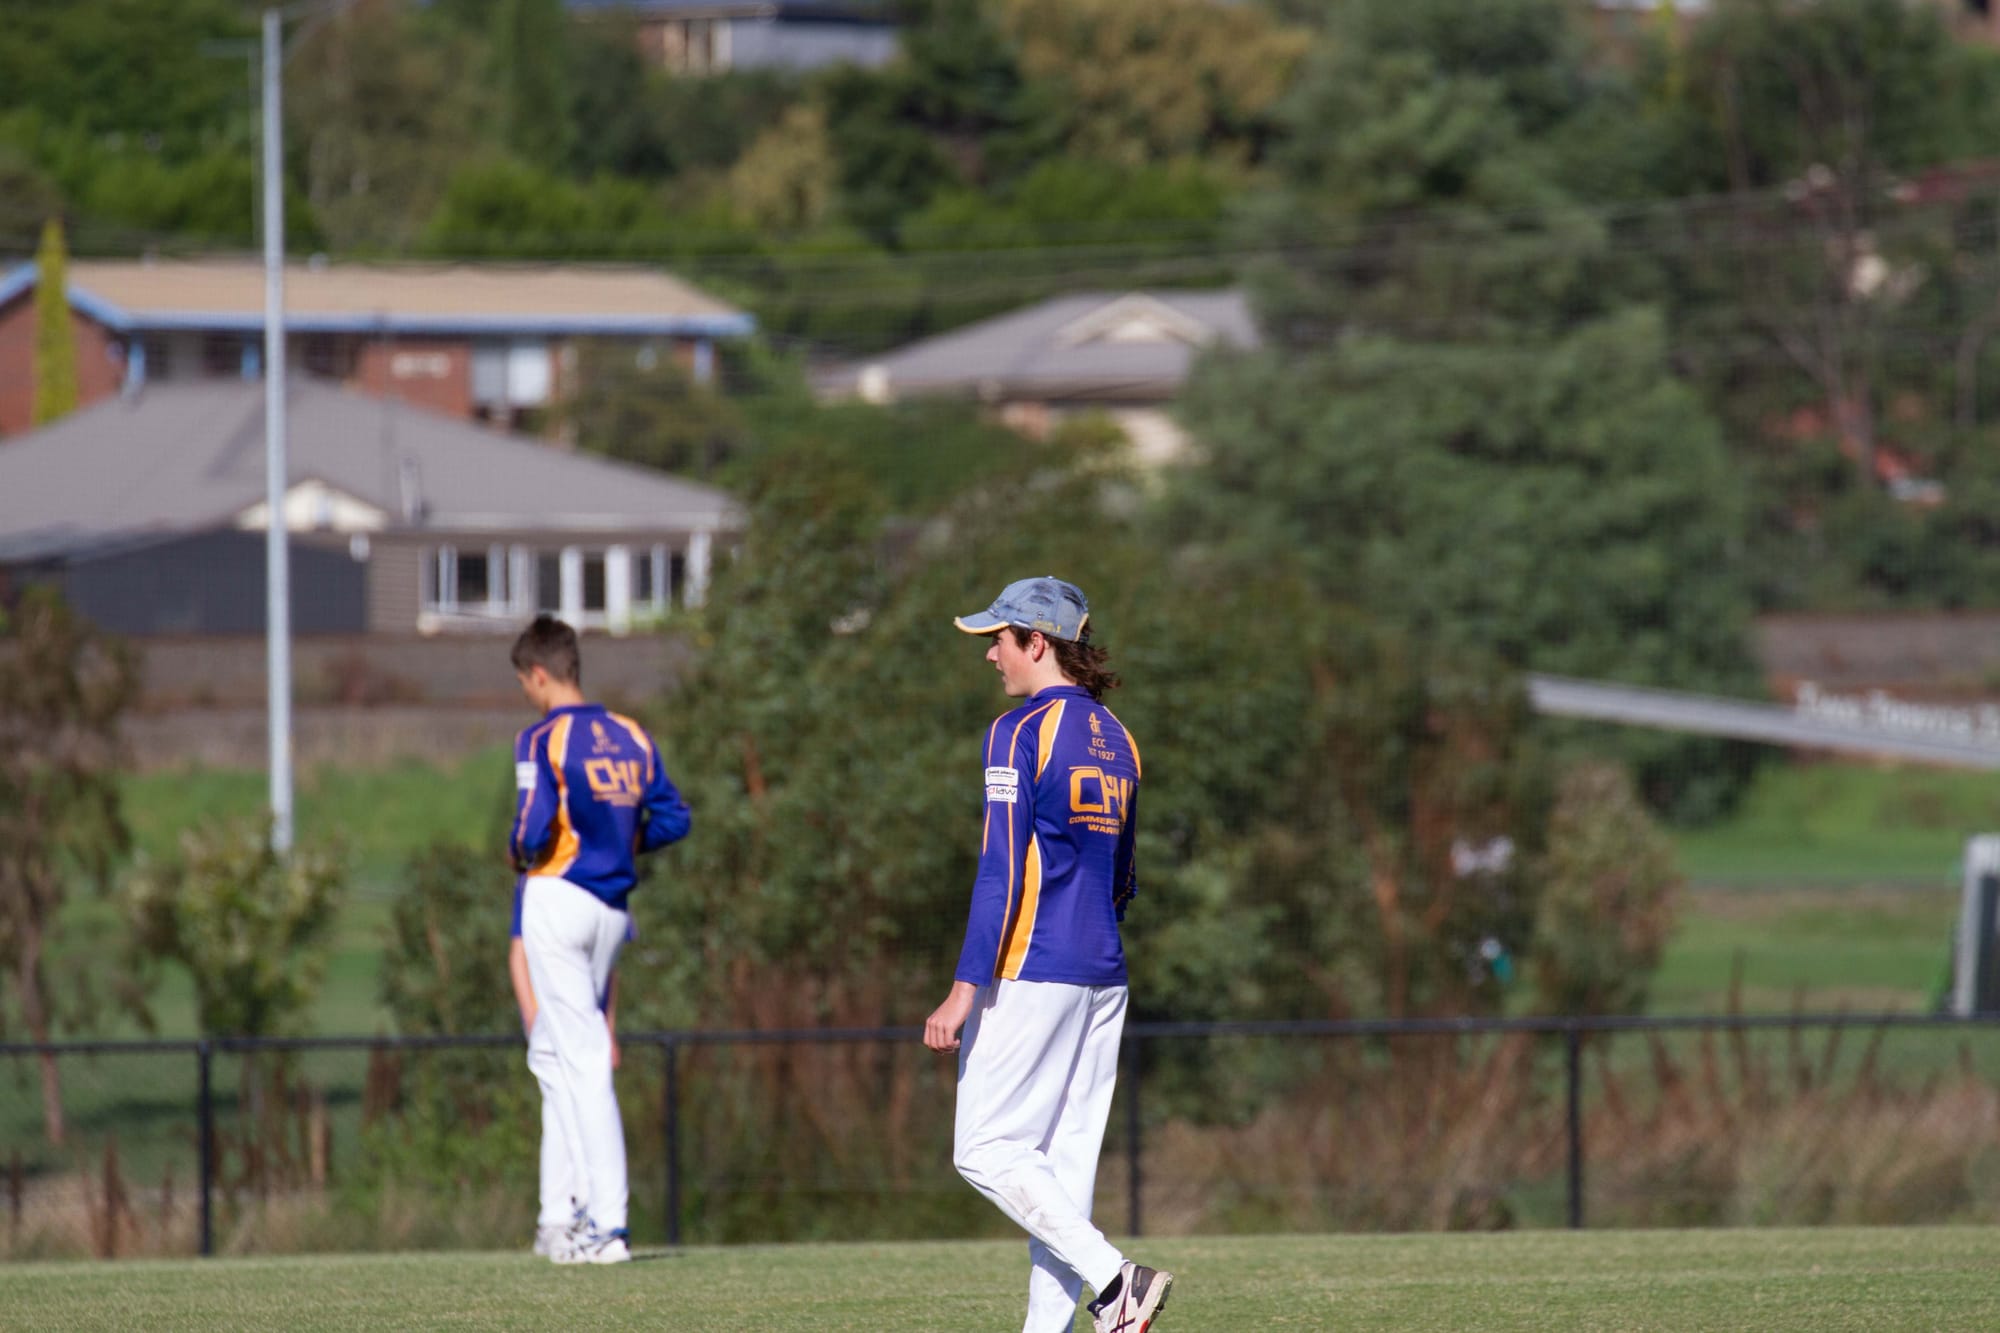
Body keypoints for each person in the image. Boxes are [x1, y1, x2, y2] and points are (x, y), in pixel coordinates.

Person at [924, 577, 1175, 1333]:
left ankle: (1115, 1279)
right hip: (1103, 970)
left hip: (1032, 965)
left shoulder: (1017, 731)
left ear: (1038, 642)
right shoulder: (1118, 735)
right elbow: (1124, 876)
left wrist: (965, 987)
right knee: (1060, 1175)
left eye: (999, 638)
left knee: (983, 1148)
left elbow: (1000, 867)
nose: (991, 653)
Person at [509, 614, 690, 1265]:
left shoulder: (542, 738)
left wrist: (518, 853)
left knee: (579, 1059)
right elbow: (674, 816)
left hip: (558, 896)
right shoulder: (631, 733)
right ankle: (566, 1215)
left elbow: (531, 829)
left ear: (539, 673)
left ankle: (605, 1224)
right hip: (613, 906)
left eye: (527, 682)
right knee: (559, 1056)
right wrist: (625, 840)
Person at [507, 887, 624, 1258]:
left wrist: (609, 1026)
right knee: (562, 1110)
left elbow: (611, 966)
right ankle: (565, 1218)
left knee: (576, 1108)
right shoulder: (542, 878)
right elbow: (519, 953)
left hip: (583, 1024)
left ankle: (583, 1217)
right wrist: (533, 1017)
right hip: (554, 1018)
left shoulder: (593, 882)